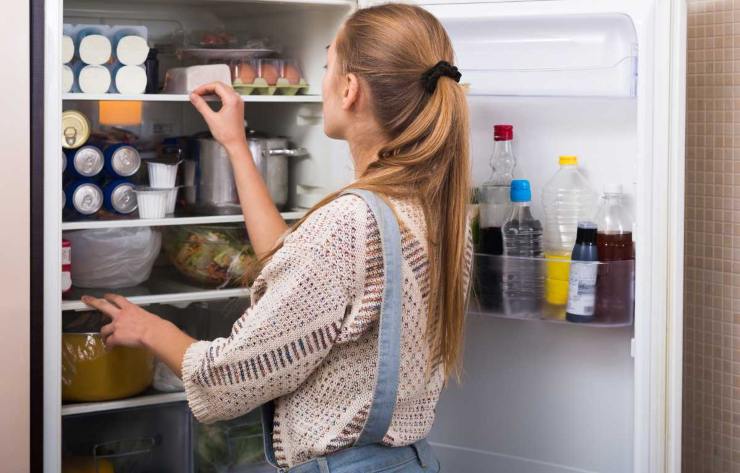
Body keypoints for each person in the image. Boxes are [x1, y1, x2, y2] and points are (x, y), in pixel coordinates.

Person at [82, 3, 472, 472]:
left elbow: (226, 384)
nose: (324, 79)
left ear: (349, 90)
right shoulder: (433, 212)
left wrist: (151, 329)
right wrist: (233, 143)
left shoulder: (349, 223)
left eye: (329, 66)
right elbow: (292, 263)